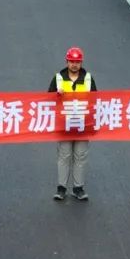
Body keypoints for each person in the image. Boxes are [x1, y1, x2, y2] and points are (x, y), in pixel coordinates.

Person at [49, 46, 97, 201]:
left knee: (80, 156)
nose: (74, 64)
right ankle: (61, 188)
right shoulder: (58, 78)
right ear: (67, 61)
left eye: (77, 62)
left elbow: (96, 101)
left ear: (81, 62)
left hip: (83, 125)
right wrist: (57, 95)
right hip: (64, 125)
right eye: (71, 61)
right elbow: (47, 100)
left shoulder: (88, 79)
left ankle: (78, 188)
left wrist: (93, 124)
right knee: (64, 156)